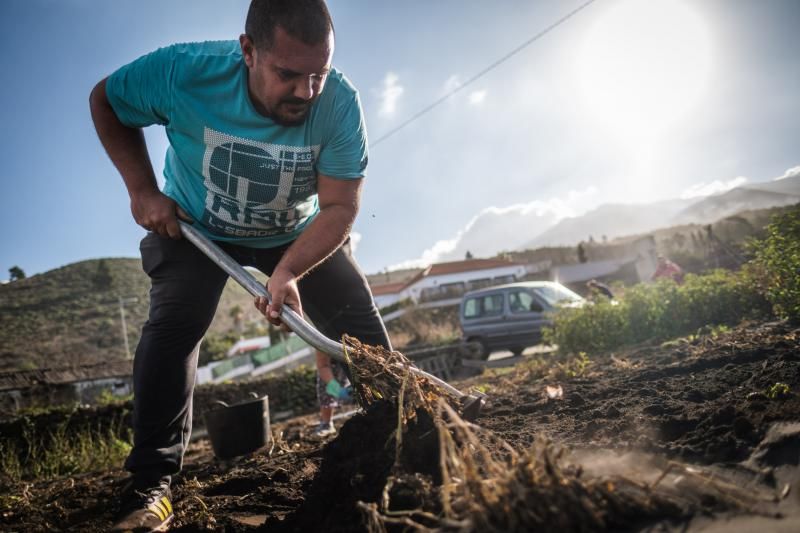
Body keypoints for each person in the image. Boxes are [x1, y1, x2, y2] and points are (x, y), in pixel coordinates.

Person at [89, 1, 391, 530]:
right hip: (196, 229)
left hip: (296, 233)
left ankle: (404, 431)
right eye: (288, 74)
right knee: (174, 326)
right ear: (247, 51)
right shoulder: (185, 73)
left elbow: (340, 205)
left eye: (318, 73)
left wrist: (290, 270)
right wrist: (141, 190)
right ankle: (150, 486)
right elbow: (105, 101)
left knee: (356, 315)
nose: (307, 91)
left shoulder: (339, 103)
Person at [313, 350, 351, 438]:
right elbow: (323, 365)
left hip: (352, 360)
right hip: (331, 365)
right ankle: (327, 424)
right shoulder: (322, 339)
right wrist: (336, 389)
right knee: (324, 389)